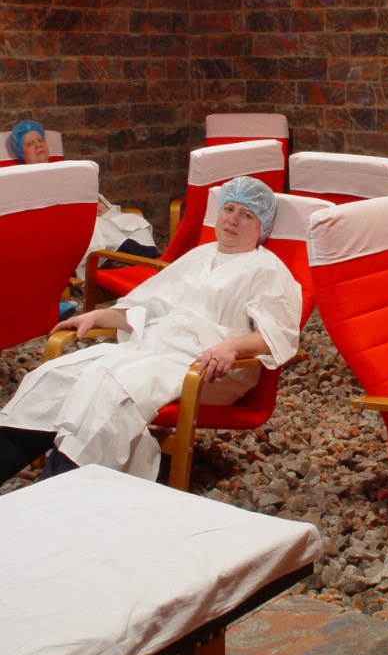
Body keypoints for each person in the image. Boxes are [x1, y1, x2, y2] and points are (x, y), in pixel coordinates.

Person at [0, 177, 302, 483]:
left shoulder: (267, 269)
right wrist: (97, 316)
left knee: (112, 393)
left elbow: (275, 334)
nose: (233, 220)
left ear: (262, 227)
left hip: (205, 367)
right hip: (151, 350)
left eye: (246, 215)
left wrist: (231, 347)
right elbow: (149, 305)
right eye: (229, 209)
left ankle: (55, 491)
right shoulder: (199, 255)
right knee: (57, 377)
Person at [11, 119, 158, 276]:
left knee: (134, 221)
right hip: (64, 227)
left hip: (91, 215)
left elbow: (87, 191)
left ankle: (140, 260)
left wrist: (101, 205)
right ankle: (138, 257)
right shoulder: (25, 180)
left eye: (40, 140)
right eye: (30, 144)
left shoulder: (65, 169)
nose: (38, 145)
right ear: (22, 153)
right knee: (93, 226)